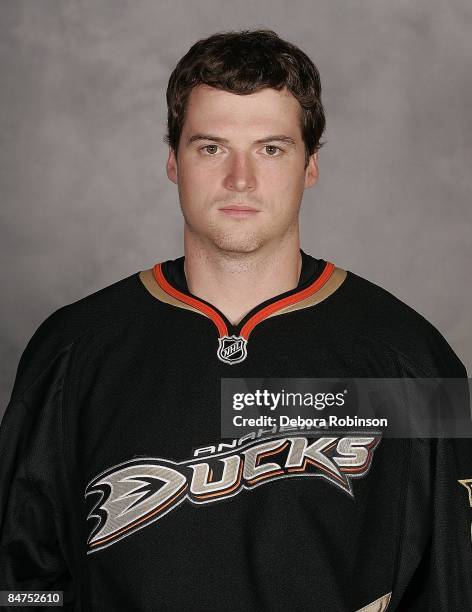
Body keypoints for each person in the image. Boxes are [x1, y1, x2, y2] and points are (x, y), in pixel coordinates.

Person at [0, 28, 470, 611]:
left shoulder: (412, 363)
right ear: (174, 160)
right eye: (211, 147)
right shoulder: (72, 350)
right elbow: (20, 581)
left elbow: (452, 582)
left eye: (271, 148)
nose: (240, 180)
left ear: (311, 165)